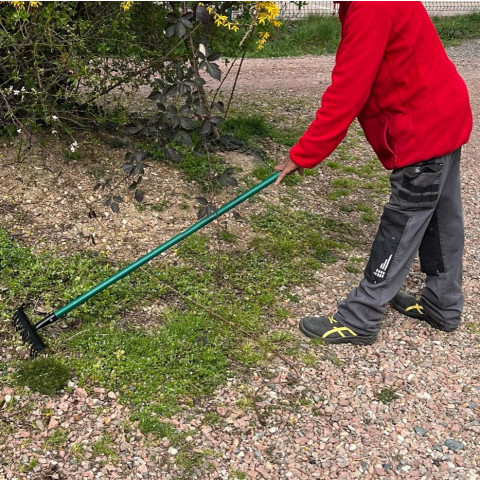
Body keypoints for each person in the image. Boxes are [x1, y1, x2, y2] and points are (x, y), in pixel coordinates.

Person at [274, 1, 472, 345]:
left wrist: (303, 154)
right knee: (442, 218)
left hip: (422, 127)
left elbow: (347, 91)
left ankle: (360, 317)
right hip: (443, 114)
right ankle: (443, 305)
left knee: (402, 223)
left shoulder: (369, 8)